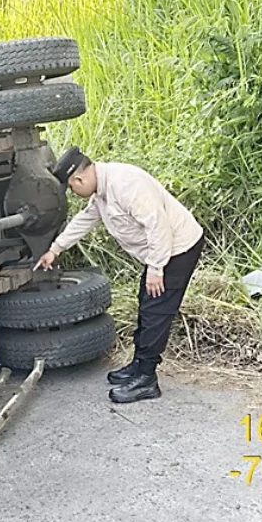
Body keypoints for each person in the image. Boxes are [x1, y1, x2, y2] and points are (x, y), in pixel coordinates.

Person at [36, 147, 205, 403]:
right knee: (147, 305)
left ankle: (147, 379)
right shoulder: (102, 191)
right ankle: (138, 366)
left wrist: (157, 269)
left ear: (79, 179)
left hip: (177, 249)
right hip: (160, 253)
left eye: (72, 188)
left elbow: (157, 225)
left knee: (156, 312)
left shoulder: (126, 184)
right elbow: (85, 220)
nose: (74, 193)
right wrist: (55, 249)